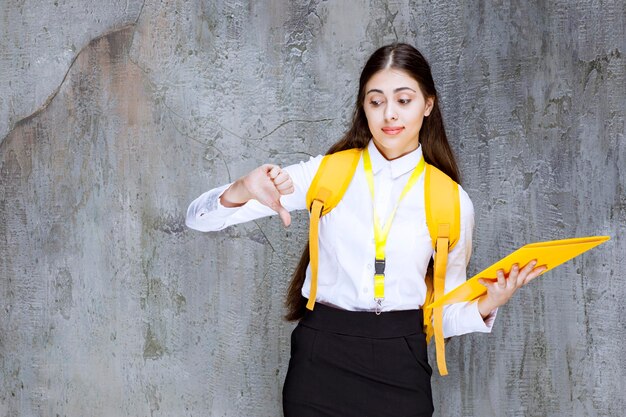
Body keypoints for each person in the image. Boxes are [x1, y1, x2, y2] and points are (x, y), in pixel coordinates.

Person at [186, 43, 546, 417]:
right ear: (364, 107)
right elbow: (198, 219)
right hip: (320, 360)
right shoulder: (326, 173)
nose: (389, 114)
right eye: (376, 102)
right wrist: (240, 190)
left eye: (403, 100)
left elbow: (441, 315)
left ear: (427, 104)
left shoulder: (452, 201)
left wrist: (490, 302)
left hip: (401, 365)